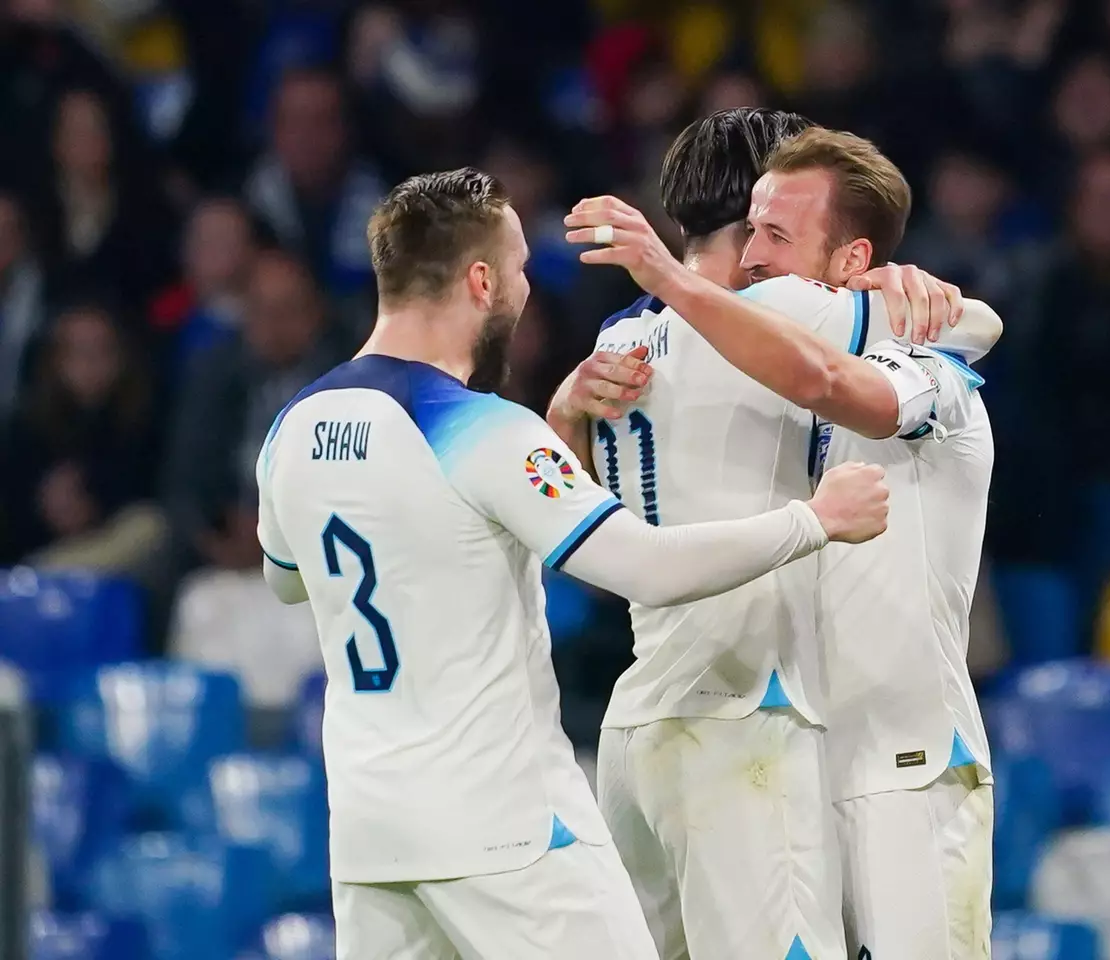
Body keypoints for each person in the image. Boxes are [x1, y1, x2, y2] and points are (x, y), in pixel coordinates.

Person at [255, 167, 892, 960]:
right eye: (519, 271)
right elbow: (648, 568)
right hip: (505, 827)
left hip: (369, 833)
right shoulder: (481, 428)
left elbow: (288, 579)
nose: (523, 295)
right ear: (481, 280)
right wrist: (814, 521)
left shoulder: (292, 427)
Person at [549, 110, 1000, 959]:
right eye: (755, 226)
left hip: (732, 731)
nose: (759, 255)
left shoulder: (617, 344)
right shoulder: (788, 314)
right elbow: (970, 328)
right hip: (759, 722)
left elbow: (576, 528)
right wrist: (953, 305)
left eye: (777, 232)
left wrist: (565, 404)